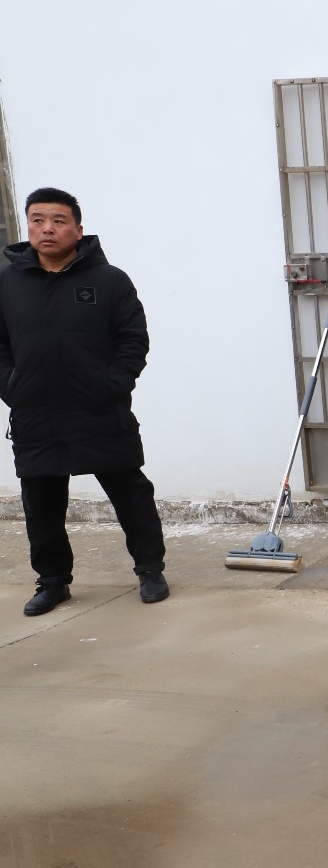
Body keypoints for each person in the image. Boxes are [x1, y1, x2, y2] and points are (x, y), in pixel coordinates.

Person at [0, 188, 169, 615]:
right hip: (36, 412)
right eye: (37, 220)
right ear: (28, 226)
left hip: (99, 408)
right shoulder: (8, 282)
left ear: (78, 229)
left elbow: (133, 339)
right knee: (41, 503)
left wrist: (113, 384)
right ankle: (53, 582)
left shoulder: (109, 280)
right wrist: (12, 387)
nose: (47, 229)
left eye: (58, 221)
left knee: (131, 493)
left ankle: (150, 570)